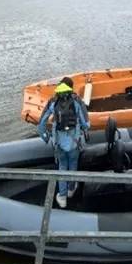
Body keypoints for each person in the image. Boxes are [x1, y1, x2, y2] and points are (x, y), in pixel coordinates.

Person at [37, 76, 90, 208]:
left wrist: (45, 137)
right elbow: (86, 124)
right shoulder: (77, 100)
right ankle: (71, 189)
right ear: (71, 88)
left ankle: (62, 197)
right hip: (74, 142)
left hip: (59, 143)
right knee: (73, 164)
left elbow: (41, 123)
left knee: (62, 167)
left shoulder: (53, 101)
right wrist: (82, 128)